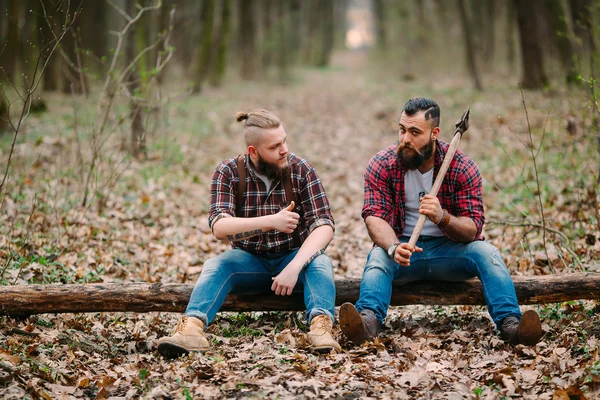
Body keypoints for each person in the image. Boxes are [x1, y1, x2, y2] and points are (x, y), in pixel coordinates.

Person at [339, 97, 543, 347]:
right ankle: (366, 323)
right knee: (379, 258)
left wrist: (442, 217)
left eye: (415, 132)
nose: (405, 139)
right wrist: (394, 247)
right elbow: (374, 217)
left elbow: (473, 229)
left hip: (451, 253)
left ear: (434, 133)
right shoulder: (383, 164)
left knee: (487, 253)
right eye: (402, 130)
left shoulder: (461, 166)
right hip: (403, 251)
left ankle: (512, 326)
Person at [157, 109, 340, 358]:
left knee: (320, 263)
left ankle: (321, 329)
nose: (284, 149)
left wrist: (295, 266)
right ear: (253, 151)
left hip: (293, 258)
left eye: (284, 141)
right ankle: (191, 328)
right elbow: (219, 227)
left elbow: (324, 225)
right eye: (275, 146)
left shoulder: (301, 169)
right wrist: (271, 222)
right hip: (249, 262)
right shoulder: (229, 172)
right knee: (216, 265)